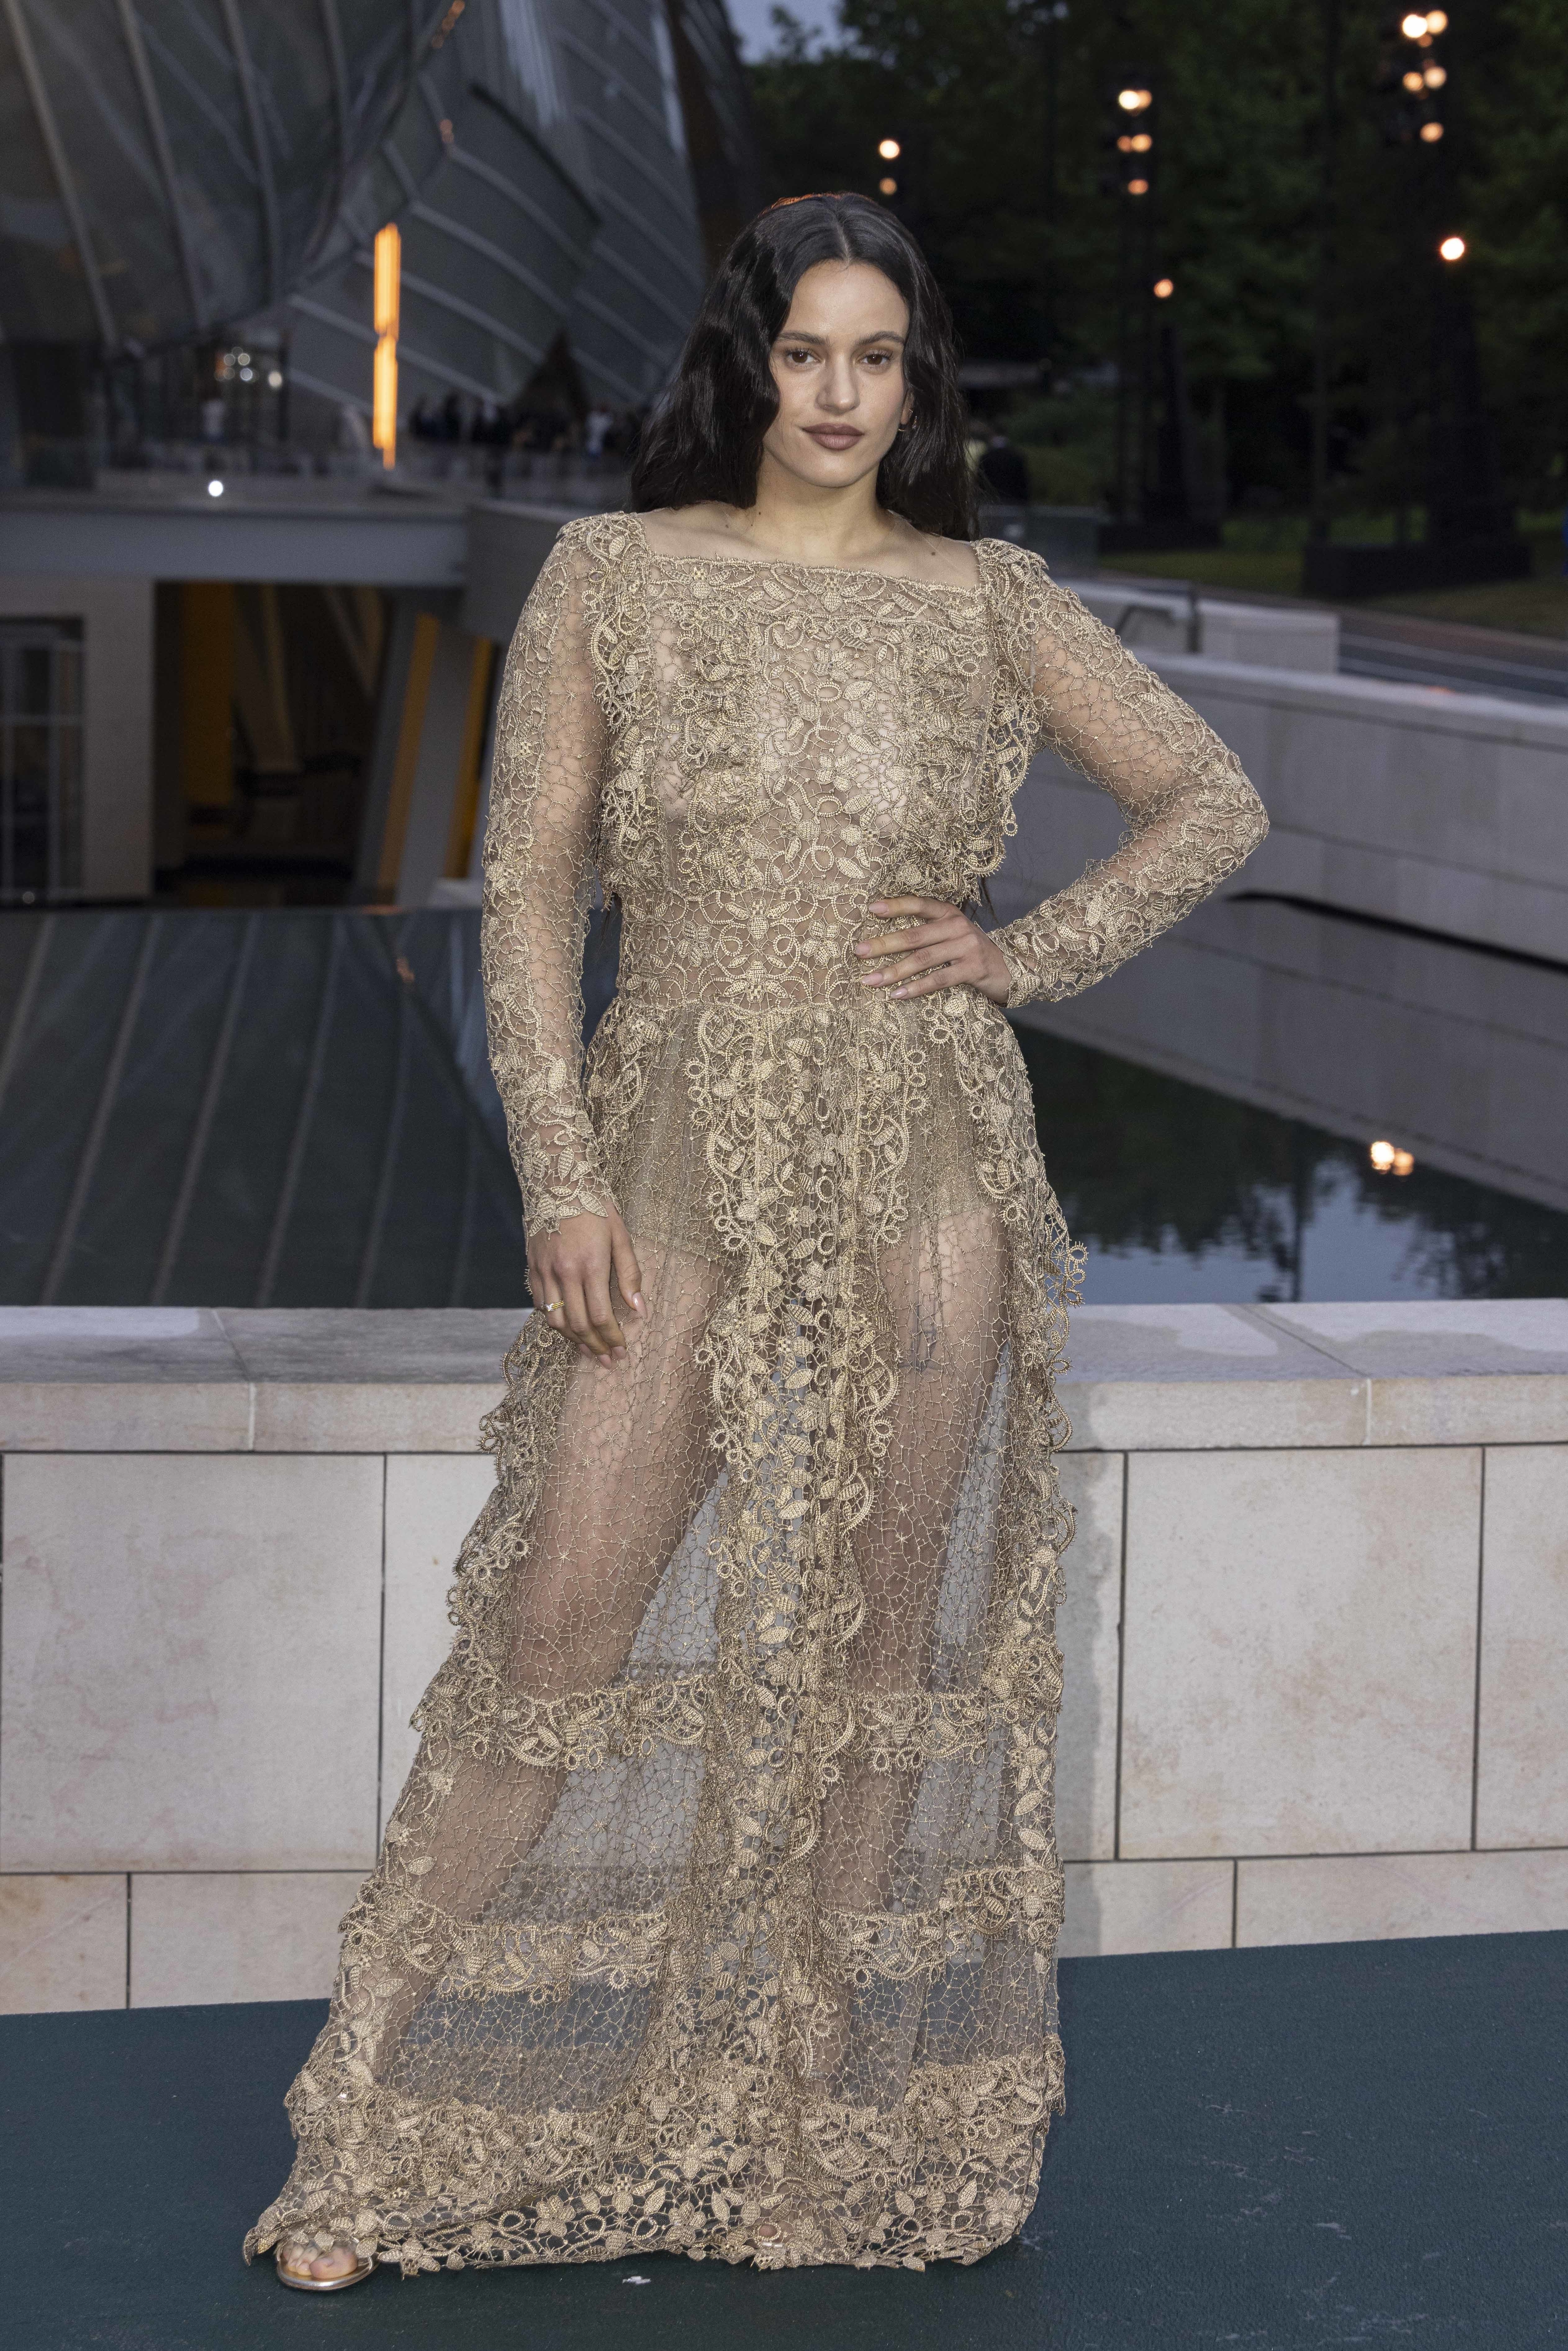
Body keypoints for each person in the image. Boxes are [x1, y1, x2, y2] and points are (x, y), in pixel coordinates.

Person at [250, 191, 1267, 2292]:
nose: (835, 393)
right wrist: (557, 1167)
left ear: (917, 380)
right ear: (749, 363)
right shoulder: (617, 577)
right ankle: (357, 2121)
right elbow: (527, 886)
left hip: (925, 1171)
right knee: (556, 1633)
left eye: (874, 356)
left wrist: (1015, 951)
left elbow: (1210, 795)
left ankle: (812, 2130)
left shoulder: (982, 598)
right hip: (677, 1148)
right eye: (804, 351)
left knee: (884, 1663)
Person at [976, 425, 1030, 506]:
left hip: (991, 503)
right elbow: (1023, 482)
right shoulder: (1016, 456)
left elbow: (981, 481)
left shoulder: (986, 457)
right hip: (1013, 502)